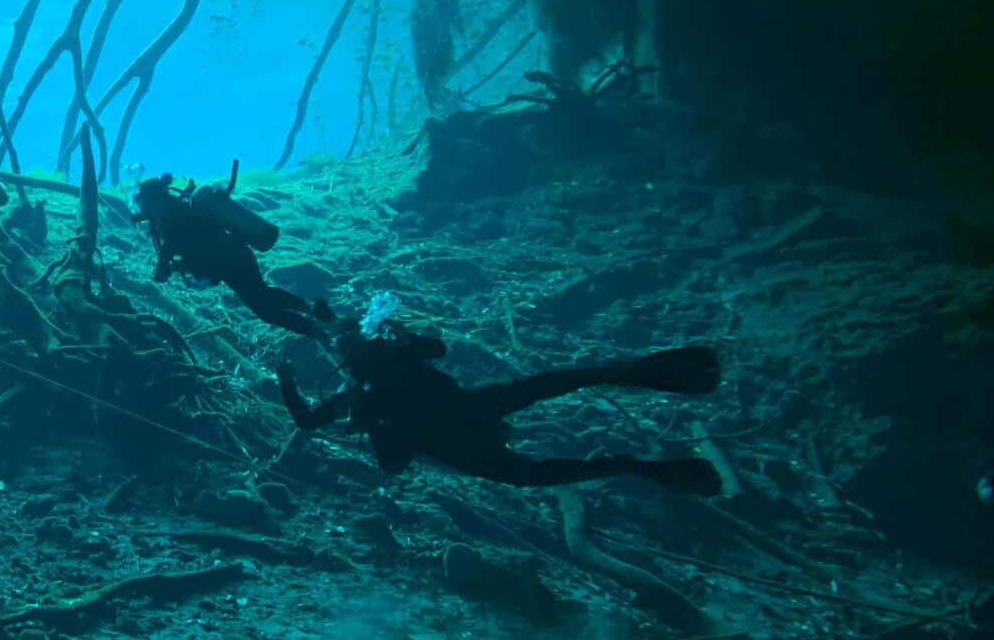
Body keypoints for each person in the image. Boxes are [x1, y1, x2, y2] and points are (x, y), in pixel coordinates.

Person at [279, 294, 724, 494]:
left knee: (531, 465)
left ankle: (633, 454)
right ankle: (635, 439)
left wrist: (287, 383)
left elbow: (308, 418)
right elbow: (434, 348)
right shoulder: (366, 378)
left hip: (452, 430)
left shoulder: (359, 384)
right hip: (462, 417)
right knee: (544, 415)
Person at [130, 161, 332, 342]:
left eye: (139, 205)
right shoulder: (176, 207)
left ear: (147, 199)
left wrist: (162, 269)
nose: (140, 211)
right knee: (262, 294)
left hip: (227, 261)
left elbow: (172, 242)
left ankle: (317, 331)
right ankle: (313, 311)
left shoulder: (163, 212)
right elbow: (188, 244)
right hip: (235, 252)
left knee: (264, 308)